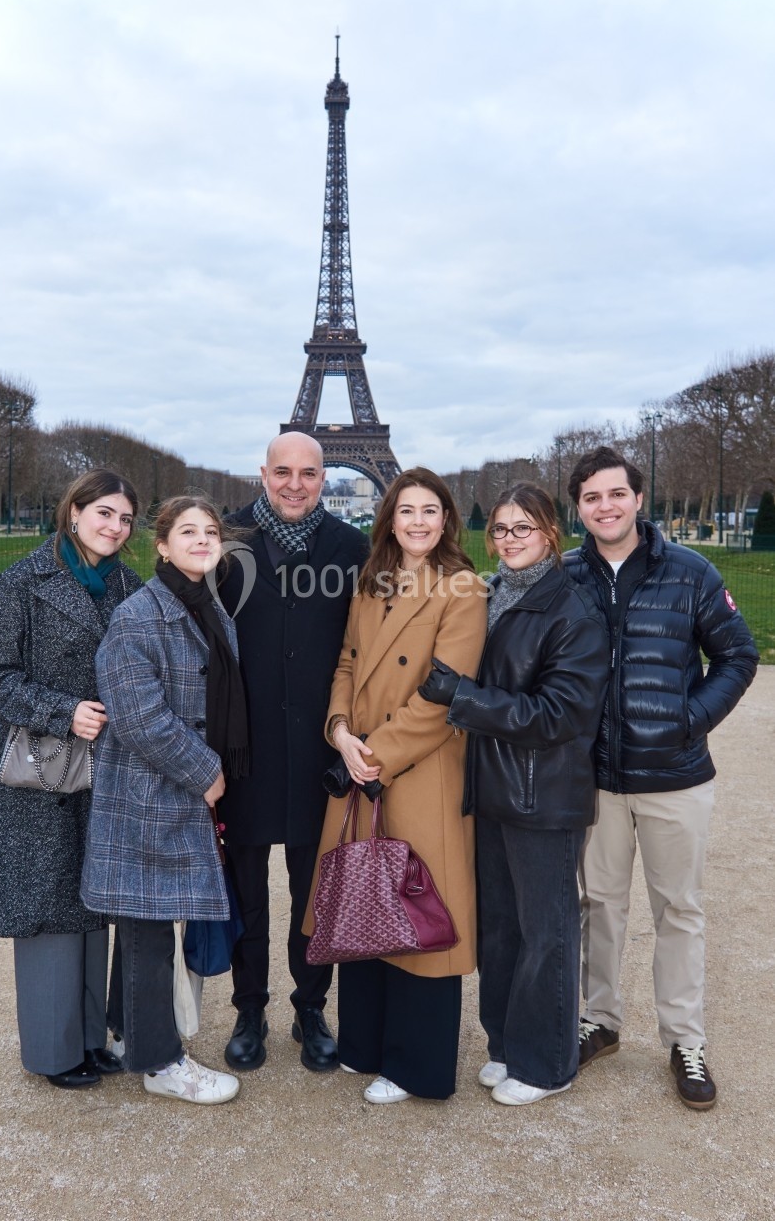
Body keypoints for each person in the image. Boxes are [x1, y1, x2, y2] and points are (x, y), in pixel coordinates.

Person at [565, 446, 759, 1110]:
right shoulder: (565, 576)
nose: (606, 506)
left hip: (676, 775)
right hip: (596, 777)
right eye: (592, 497)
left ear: (638, 498)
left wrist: (691, 719)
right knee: (600, 906)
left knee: (680, 909)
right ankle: (601, 1020)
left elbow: (737, 655)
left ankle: (685, 1038)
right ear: (579, 507)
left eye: (616, 494)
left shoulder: (691, 572)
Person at [419, 483, 608, 1106]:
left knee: (545, 931)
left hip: (543, 796)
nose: (508, 540)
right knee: (500, 929)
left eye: (521, 529)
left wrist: (462, 700)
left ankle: (548, 1061)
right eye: (499, 530)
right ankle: (505, 1043)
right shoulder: (493, 593)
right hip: (497, 787)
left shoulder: (572, 610)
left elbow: (560, 714)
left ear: (551, 533)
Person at [0, 470, 141, 1089]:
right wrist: (64, 711)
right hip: (40, 766)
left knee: (90, 902)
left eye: (125, 519)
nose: (114, 527)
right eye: (105, 513)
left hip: (106, 766)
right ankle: (54, 1050)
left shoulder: (130, 586)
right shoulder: (22, 580)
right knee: (44, 908)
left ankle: (89, 1038)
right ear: (75, 511)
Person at [309, 467, 487, 1104]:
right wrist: (339, 731)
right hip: (362, 760)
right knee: (367, 902)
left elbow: (445, 693)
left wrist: (373, 753)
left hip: (417, 767)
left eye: (430, 511)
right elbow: (349, 662)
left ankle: (416, 1065)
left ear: (446, 521)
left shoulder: (462, 588)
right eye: (406, 510)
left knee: (419, 916)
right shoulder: (372, 581)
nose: (417, 521)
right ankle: (366, 1043)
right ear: (390, 519)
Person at [81, 496, 247, 1106]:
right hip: (153, 792)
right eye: (188, 531)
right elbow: (139, 716)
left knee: (144, 922)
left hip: (172, 790)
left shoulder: (204, 603)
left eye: (210, 531)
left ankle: (129, 1034)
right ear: (161, 545)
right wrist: (206, 772)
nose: (202, 540)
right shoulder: (140, 616)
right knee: (149, 927)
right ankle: (160, 1061)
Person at [219, 432, 369, 1074]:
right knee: (244, 893)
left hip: (316, 751)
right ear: (264, 473)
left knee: (316, 892)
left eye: (308, 473)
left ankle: (312, 1005)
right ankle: (249, 1007)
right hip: (241, 751)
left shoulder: (353, 549)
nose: (295, 484)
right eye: (283, 472)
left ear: (322, 476)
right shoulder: (222, 544)